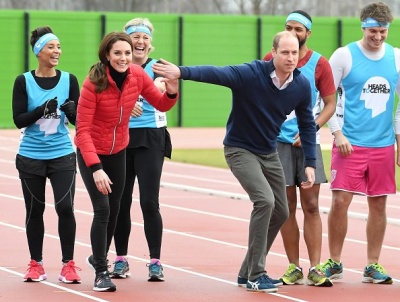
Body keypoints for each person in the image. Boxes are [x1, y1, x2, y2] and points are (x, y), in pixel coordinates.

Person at [153, 31, 317, 293]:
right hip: (239, 149)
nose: (290, 57)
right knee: (265, 201)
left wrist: (310, 162)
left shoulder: (300, 86)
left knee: (282, 211)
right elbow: (216, 73)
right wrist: (181, 72)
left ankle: (246, 272)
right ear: (273, 53)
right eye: (284, 52)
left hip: (268, 151)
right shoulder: (251, 74)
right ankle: (256, 274)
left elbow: (307, 124)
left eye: (294, 53)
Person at [75, 31, 178, 292]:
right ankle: (101, 271)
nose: (123, 58)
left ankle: (97, 258)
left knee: (116, 207)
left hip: (119, 151)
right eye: (118, 53)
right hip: (93, 154)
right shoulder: (93, 83)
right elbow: (82, 131)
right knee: (103, 209)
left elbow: (161, 105)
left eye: (127, 53)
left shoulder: (138, 75)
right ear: (107, 56)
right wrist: (95, 168)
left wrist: (172, 92)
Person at [321, 1, 400, 285]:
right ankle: (335, 262)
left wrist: (399, 144)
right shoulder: (344, 56)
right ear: (363, 27)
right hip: (349, 144)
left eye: (382, 32)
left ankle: (372, 265)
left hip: (382, 146)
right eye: (372, 32)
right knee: (340, 201)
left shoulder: (397, 58)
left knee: (378, 205)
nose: (377, 37)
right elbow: (326, 97)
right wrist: (337, 133)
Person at [264, 11, 336, 287]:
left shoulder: (319, 64)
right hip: (277, 143)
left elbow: (329, 102)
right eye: (288, 28)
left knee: (313, 206)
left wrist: (312, 129)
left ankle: (316, 267)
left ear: (308, 33)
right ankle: (293, 266)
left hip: (308, 143)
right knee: (285, 207)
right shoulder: (271, 59)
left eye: (298, 29)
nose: (293, 32)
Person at [12, 26, 81, 284]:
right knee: (34, 210)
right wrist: (41, 110)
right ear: (38, 51)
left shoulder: (69, 80)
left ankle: (68, 265)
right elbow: (18, 120)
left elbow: (77, 122)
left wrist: (73, 112)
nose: (57, 51)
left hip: (62, 153)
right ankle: (36, 264)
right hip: (31, 155)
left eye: (59, 46)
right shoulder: (23, 81)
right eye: (51, 47)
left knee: (65, 207)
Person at [111, 17, 170, 282]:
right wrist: (123, 105)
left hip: (151, 139)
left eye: (145, 37)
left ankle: (155, 262)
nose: (140, 41)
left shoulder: (160, 69)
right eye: (135, 36)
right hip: (121, 139)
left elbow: (165, 97)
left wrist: (160, 88)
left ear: (150, 43)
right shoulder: (115, 69)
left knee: (149, 202)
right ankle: (121, 259)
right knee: (121, 202)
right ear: (125, 41)